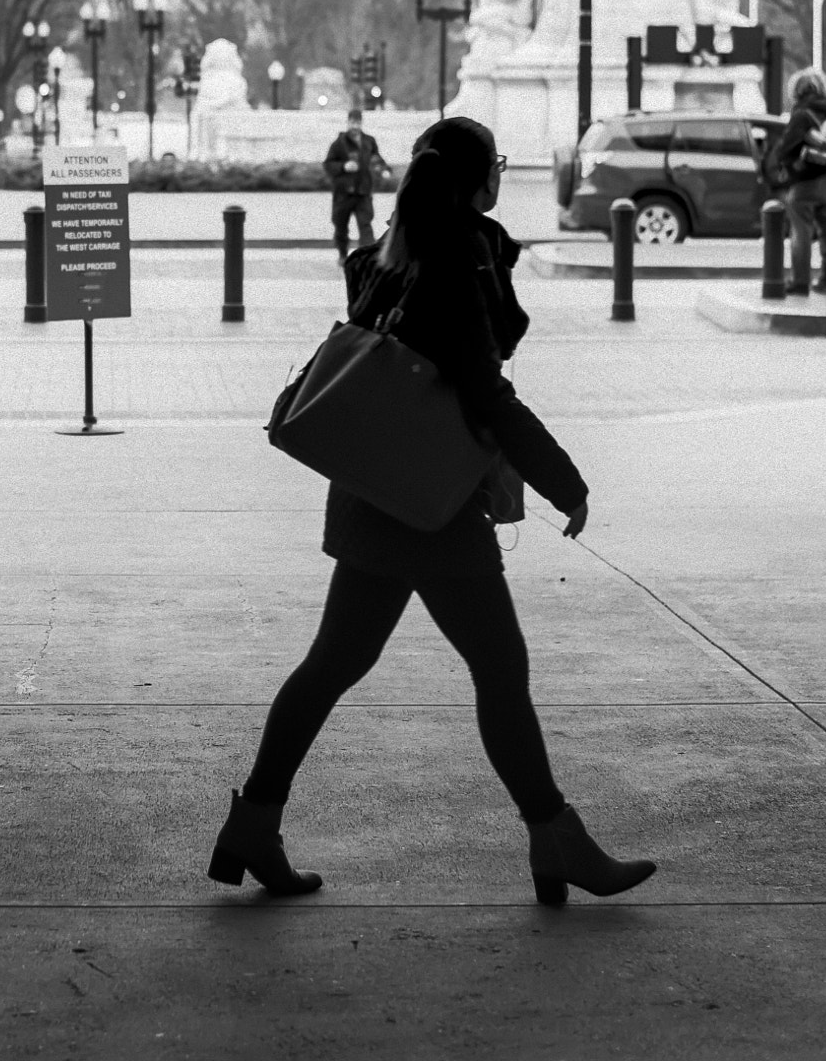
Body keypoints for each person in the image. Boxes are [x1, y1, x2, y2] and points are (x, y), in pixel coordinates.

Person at [208, 116, 657, 906]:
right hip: (430, 506)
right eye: (499, 169)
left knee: (334, 664)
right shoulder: (454, 265)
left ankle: (253, 823)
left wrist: (488, 250)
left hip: (371, 487)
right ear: (480, 180)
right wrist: (566, 482)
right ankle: (554, 836)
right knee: (499, 670)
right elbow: (488, 388)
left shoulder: (398, 251)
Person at [774, 67, 826, 295]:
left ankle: (800, 282)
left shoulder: (801, 115)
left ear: (798, 90)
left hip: (804, 182)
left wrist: (788, 167)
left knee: (801, 232)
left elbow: (785, 149)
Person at [324, 109, 390, 264]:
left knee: (365, 226)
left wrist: (384, 169)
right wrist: (343, 166)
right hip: (343, 194)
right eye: (352, 122)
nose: (355, 126)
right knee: (341, 227)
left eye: (358, 122)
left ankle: (367, 258)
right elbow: (328, 164)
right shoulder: (339, 143)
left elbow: (376, 159)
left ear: (361, 123)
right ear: (348, 123)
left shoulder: (369, 141)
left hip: (363, 192)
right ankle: (342, 254)